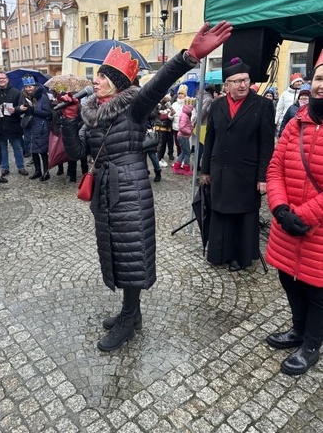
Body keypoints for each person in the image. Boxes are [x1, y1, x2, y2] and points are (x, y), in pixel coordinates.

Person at [59, 20, 232, 351]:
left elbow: (157, 84)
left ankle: (128, 317)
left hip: (130, 189)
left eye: (102, 76)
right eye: (97, 75)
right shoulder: (91, 112)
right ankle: (132, 312)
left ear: (118, 83)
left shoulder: (134, 107)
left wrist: (188, 56)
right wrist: (68, 119)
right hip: (105, 191)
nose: (95, 80)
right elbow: (77, 153)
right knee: (115, 250)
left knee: (131, 254)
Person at [265, 50, 323, 376]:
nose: (322, 85)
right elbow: (275, 169)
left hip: (318, 230)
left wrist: (306, 215)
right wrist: (280, 208)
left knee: (317, 290)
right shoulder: (295, 124)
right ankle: (298, 330)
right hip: (287, 224)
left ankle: (312, 344)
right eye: (318, 78)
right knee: (288, 278)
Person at [201, 56, 275, 272]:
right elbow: (210, 139)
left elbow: (266, 145)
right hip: (220, 171)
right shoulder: (217, 105)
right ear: (227, 85)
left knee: (243, 216)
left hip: (246, 173)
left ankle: (239, 257)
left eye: (246, 80)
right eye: (237, 81)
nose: (243, 84)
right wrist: (205, 169)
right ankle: (219, 252)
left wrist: (263, 177)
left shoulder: (262, 105)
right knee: (220, 212)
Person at [0, 71, 28, 176]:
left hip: (13, 124)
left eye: (3, 78)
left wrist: (15, 109)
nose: (1, 80)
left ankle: (21, 167)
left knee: (17, 147)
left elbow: (22, 107)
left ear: (7, 80)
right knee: (2, 149)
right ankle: (4, 167)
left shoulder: (16, 92)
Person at [19, 76, 52, 181]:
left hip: (41, 126)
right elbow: (18, 109)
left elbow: (47, 113)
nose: (28, 89)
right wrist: (20, 109)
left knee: (42, 151)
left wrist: (33, 110)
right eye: (26, 87)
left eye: (30, 86)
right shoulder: (23, 97)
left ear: (34, 86)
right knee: (33, 150)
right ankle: (37, 171)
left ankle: (46, 172)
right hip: (29, 126)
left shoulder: (43, 97)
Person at [172, 97, 195, 176]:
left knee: (183, 152)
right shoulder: (185, 115)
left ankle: (176, 167)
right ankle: (186, 169)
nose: (192, 109)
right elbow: (181, 127)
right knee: (187, 152)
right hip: (183, 136)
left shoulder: (184, 114)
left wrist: (191, 127)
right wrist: (189, 131)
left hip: (182, 136)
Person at [168, 84, 187, 158]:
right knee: (177, 144)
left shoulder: (187, 104)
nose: (180, 95)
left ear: (185, 95)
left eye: (182, 93)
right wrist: (171, 115)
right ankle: (179, 157)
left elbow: (192, 116)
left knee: (184, 145)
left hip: (184, 128)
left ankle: (184, 159)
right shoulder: (174, 104)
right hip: (176, 128)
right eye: (179, 93)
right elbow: (170, 117)